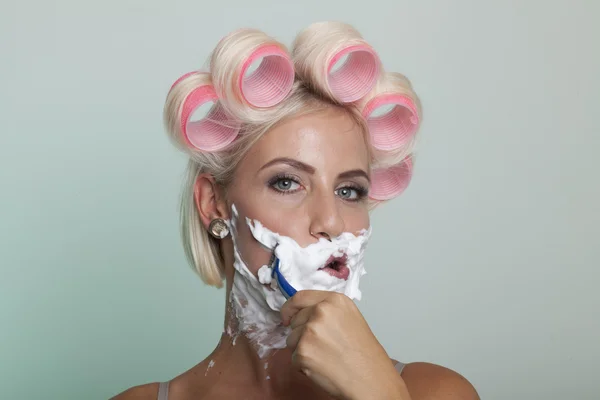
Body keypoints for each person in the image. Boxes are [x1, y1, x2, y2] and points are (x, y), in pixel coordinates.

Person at [113, 22, 479, 400]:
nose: (331, 222)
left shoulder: (435, 392)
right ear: (213, 204)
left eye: (349, 191)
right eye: (287, 183)